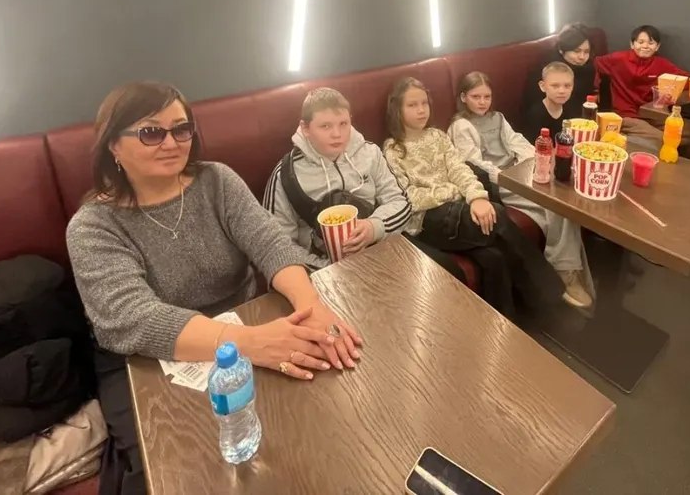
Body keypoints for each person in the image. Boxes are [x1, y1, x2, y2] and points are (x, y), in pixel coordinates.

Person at [66, 82, 361, 495]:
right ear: (113, 145)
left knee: (313, 421)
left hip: (244, 323)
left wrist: (311, 307)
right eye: (151, 132)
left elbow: (270, 243)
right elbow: (133, 318)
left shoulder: (216, 180)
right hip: (145, 360)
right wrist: (252, 343)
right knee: (178, 468)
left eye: (180, 129)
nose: (171, 142)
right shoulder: (93, 225)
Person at [383, 77, 563, 320]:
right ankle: (552, 296)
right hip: (426, 221)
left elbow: (460, 169)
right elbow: (409, 198)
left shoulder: (437, 136)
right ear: (397, 109)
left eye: (424, 103)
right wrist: (455, 192)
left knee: (493, 256)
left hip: (457, 210)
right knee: (499, 215)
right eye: (412, 105)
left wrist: (477, 197)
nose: (421, 110)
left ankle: (504, 321)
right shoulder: (393, 149)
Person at [263, 87, 467, 284]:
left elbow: (401, 202)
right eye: (325, 126)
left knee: (449, 272)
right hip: (324, 268)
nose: (337, 134)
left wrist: (373, 227)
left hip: (381, 246)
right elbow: (277, 245)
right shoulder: (285, 175)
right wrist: (325, 268)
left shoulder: (370, 153)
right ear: (306, 128)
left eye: (343, 124)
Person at [448, 71, 593, 308]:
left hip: (516, 172)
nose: (482, 102)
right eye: (476, 97)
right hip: (497, 182)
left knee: (562, 202)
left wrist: (533, 159)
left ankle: (567, 267)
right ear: (463, 97)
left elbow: (516, 140)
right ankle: (565, 272)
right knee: (553, 207)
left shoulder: (497, 117)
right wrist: (506, 176)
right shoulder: (461, 126)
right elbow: (473, 162)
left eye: (487, 96)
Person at [591, 24, 690, 159]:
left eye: (651, 43)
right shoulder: (618, 59)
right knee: (666, 140)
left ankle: (687, 167)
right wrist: (596, 87)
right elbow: (594, 64)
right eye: (640, 42)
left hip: (652, 115)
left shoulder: (661, 64)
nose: (645, 46)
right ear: (632, 44)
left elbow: (686, 79)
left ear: (657, 46)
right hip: (626, 116)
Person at [521, 22, 597, 120]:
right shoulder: (548, 67)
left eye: (586, 52)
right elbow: (533, 105)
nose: (582, 57)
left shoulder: (588, 68)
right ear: (561, 49)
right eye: (576, 51)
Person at [521, 61, 575, 143]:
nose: (562, 91)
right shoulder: (535, 114)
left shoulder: (572, 110)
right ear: (542, 86)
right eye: (555, 86)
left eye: (567, 86)